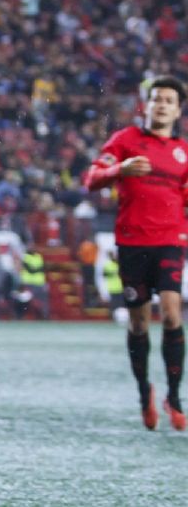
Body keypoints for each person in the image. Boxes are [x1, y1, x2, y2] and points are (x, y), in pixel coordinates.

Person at [83, 75, 187, 431]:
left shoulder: (183, 152)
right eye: (156, 98)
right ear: (148, 104)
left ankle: (174, 397)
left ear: (177, 109)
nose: (161, 105)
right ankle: (145, 391)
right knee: (140, 323)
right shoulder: (126, 140)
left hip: (171, 241)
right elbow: (91, 179)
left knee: (173, 314)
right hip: (132, 245)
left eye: (169, 100)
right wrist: (119, 170)